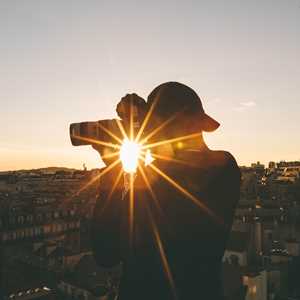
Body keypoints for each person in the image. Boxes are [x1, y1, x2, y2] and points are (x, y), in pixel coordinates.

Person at [91, 82, 241, 300]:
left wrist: (113, 172)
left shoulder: (220, 167)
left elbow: (106, 254)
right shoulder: (152, 177)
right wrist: (113, 172)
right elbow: (106, 253)